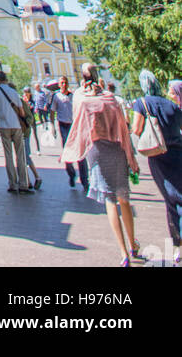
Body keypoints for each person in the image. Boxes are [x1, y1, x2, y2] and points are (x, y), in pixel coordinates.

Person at [62, 70, 140, 265]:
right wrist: (131, 157)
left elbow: (78, 129)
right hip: (116, 148)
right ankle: (133, 244)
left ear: (82, 79)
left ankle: (124, 253)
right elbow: (123, 129)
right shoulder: (111, 99)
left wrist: (70, 153)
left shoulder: (82, 101)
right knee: (124, 198)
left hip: (96, 150)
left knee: (110, 200)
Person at [131, 70, 182, 264]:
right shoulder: (172, 105)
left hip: (158, 157)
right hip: (178, 155)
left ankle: (179, 246)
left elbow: (136, 128)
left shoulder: (141, 103)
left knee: (171, 202)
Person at [0, 71, 31, 193]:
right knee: (21, 155)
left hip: (4, 126)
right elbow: (21, 111)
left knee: (8, 155)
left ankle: (13, 184)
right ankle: (24, 183)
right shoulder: (13, 92)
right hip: (16, 126)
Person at [53, 75, 88, 189]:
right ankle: (72, 174)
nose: (64, 84)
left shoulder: (73, 96)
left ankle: (84, 179)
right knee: (67, 152)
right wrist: (51, 126)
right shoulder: (56, 96)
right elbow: (52, 111)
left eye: (65, 82)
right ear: (59, 85)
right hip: (63, 125)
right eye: (61, 82)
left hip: (74, 125)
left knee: (80, 152)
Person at [20, 86, 43, 189]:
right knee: (22, 157)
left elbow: (30, 116)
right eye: (24, 92)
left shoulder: (25, 103)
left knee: (25, 156)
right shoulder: (21, 102)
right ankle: (28, 180)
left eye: (27, 92)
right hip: (21, 131)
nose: (25, 94)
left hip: (25, 131)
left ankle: (36, 177)